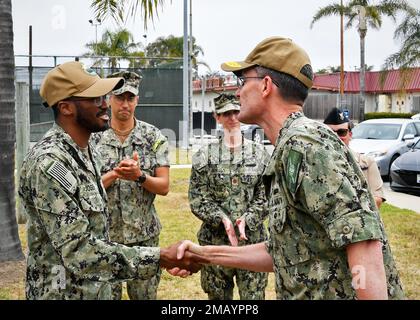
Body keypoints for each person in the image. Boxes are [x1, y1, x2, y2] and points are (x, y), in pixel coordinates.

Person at [175, 36, 404, 300]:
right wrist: (203, 253)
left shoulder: (306, 146)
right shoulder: (290, 146)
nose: (238, 93)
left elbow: (362, 242)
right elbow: (283, 251)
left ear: (265, 86)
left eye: (242, 81)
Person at [18, 61, 203, 300]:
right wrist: (161, 256)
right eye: (96, 99)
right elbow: (80, 252)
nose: (105, 104)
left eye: (104, 97)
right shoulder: (49, 165)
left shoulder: (83, 152)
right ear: (66, 108)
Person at [90, 71, 169, 300]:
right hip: (105, 239)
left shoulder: (153, 136)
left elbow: (163, 186)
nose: (125, 104)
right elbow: (86, 189)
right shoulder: (93, 137)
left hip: (143, 238)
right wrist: (115, 174)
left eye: (130, 98)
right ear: (108, 100)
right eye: (119, 98)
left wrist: (139, 176)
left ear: (137, 100)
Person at [189, 93, 269, 300]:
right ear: (217, 117)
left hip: (252, 242)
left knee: (253, 299)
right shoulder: (204, 156)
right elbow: (198, 198)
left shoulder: (260, 154)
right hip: (216, 242)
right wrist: (221, 218)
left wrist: (248, 219)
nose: (232, 117)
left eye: (235, 112)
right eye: (226, 113)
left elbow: (267, 196)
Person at [324, 107, 386, 209]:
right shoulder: (315, 162)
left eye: (341, 132)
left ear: (350, 135)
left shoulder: (366, 163)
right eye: (330, 132)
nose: (335, 137)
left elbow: (377, 199)